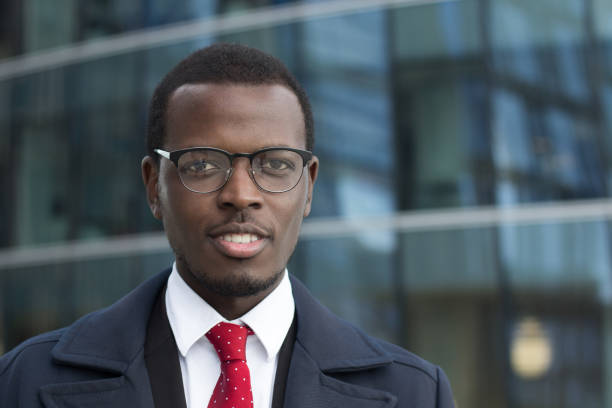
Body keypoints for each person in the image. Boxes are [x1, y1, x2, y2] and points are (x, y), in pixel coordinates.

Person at [0, 43, 455, 407]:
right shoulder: (24, 380)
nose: (240, 194)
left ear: (309, 187)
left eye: (275, 164)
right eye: (202, 165)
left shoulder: (415, 393)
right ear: (154, 186)